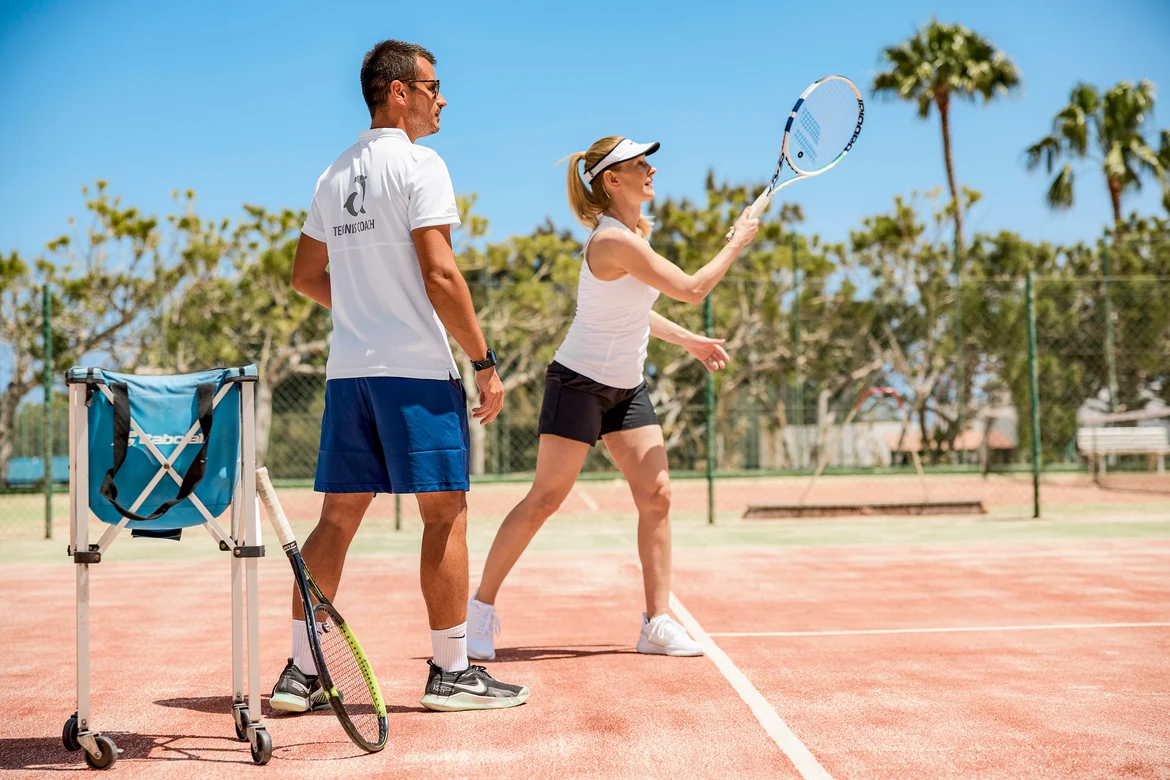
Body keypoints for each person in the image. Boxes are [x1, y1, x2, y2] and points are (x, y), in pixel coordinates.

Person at [271, 39, 528, 713]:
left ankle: (301, 673)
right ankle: (451, 672)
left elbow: (304, 277)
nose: (442, 98)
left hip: (348, 372)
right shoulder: (422, 164)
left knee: (335, 521)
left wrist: (361, 306)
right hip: (414, 371)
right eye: (433, 86)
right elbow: (442, 274)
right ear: (398, 93)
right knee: (445, 514)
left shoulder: (333, 174)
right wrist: (484, 362)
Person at [466, 136, 759, 659]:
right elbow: (693, 289)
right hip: (577, 383)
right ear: (611, 180)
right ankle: (479, 613)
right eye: (638, 162)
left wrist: (687, 340)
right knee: (544, 501)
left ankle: (657, 622)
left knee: (659, 494)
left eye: (649, 160)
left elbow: (632, 310)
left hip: (627, 388)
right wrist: (736, 241)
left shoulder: (634, 236)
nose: (651, 168)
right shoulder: (612, 242)